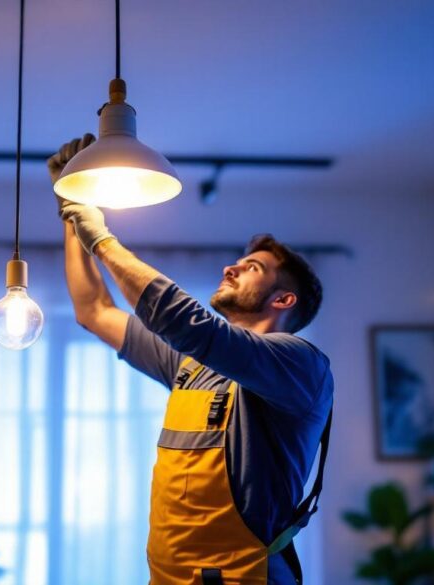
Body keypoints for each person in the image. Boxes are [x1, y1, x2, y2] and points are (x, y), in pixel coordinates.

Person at [49, 134, 334, 585]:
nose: (231, 268)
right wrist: (71, 211)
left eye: (252, 268)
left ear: (283, 298)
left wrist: (101, 238)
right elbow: (94, 311)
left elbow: (188, 324)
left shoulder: (300, 365)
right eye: (237, 262)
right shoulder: (190, 365)